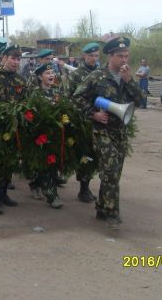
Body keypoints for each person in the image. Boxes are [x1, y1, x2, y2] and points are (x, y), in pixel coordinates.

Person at [73, 36, 144, 229]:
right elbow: (77, 97)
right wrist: (93, 114)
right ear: (110, 56)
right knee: (111, 168)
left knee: (114, 171)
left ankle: (103, 207)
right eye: (120, 56)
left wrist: (129, 82)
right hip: (101, 131)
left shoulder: (126, 77)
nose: (124, 60)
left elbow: (141, 101)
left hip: (120, 131)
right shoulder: (97, 76)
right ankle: (113, 212)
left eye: (126, 56)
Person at [0, 45, 27, 214]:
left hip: (15, 128)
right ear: (4, 58)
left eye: (18, 59)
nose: (16, 62)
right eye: (13, 58)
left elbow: (25, 102)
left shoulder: (20, 80)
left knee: (10, 162)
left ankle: (5, 194)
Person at [66, 42, 101, 202]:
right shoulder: (76, 75)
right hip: (83, 120)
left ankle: (88, 186)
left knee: (95, 154)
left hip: (100, 120)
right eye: (91, 56)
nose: (94, 58)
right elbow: (70, 97)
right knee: (85, 154)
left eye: (96, 56)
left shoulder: (102, 73)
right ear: (84, 56)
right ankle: (83, 188)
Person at [29, 63, 63, 208]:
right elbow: (31, 113)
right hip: (40, 134)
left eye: (52, 72)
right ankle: (51, 195)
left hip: (55, 134)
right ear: (40, 76)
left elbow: (64, 109)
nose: (51, 75)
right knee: (44, 164)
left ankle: (37, 184)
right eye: (47, 73)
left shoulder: (57, 92)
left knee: (51, 164)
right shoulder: (35, 93)